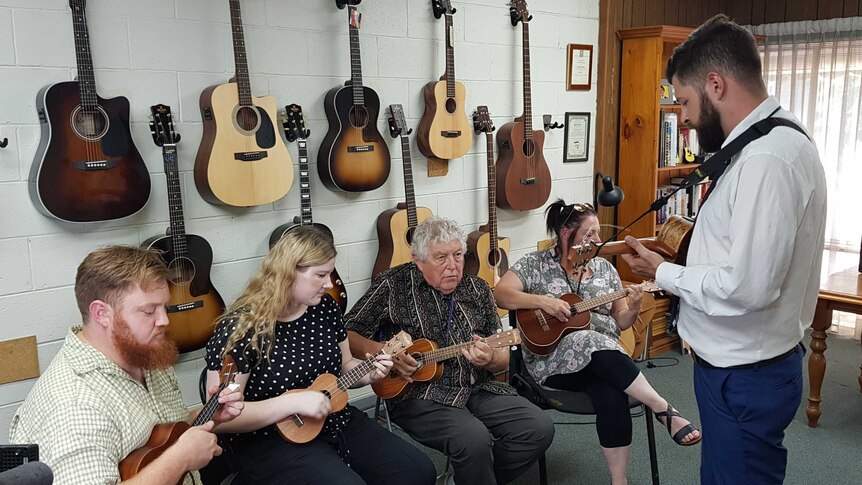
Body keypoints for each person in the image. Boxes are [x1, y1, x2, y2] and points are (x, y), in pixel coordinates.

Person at [621, 14, 827, 485]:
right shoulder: (765, 142)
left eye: (685, 101)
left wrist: (663, 273)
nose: (685, 116)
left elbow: (747, 287)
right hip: (740, 369)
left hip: (745, 376)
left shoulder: (767, 159)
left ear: (715, 84)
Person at [204, 225, 436, 485]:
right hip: (270, 439)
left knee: (418, 470)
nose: (329, 284)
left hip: (334, 420)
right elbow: (219, 418)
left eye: (330, 273)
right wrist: (292, 403)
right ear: (288, 273)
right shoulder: (242, 327)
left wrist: (369, 372)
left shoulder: (325, 308)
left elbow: (346, 364)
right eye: (321, 275)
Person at [494, 199, 700, 485]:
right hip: (553, 363)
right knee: (588, 338)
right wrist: (544, 302)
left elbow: (622, 322)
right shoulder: (535, 264)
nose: (598, 241)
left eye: (598, 234)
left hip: (606, 362)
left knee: (610, 392)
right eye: (590, 234)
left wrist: (635, 306)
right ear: (567, 234)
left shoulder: (604, 269)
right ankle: (662, 407)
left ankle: (619, 481)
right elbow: (501, 294)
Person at [344, 216, 554, 485]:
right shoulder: (392, 286)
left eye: (458, 255)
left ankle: (467, 478)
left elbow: (502, 360)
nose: (453, 266)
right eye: (441, 258)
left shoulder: (477, 289)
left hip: (477, 387)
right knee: (474, 440)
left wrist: (490, 359)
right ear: (418, 260)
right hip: (416, 394)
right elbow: (347, 333)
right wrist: (384, 352)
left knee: (538, 428)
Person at [9, 245, 244, 484]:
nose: (164, 321)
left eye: (165, 307)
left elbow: (158, 439)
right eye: (149, 311)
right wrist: (181, 459)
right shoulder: (75, 403)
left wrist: (207, 414)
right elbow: (173, 454)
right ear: (102, 313)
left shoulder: (146, 353)